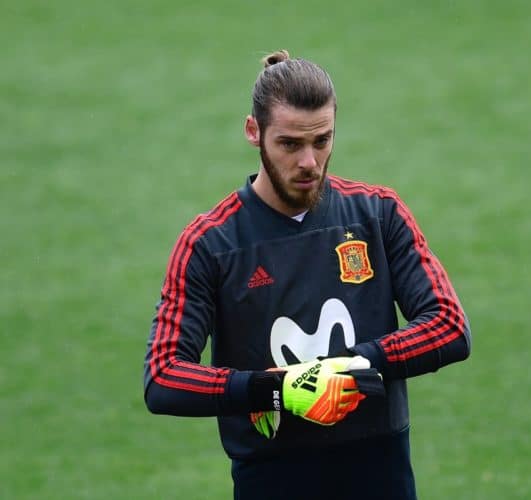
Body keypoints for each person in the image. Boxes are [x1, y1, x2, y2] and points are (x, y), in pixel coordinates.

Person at [143, 49, 471, 500]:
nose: (309, 163)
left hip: (380, 472)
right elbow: (163, 378)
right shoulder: (210, 244)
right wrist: (276, 390)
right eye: (290, 144)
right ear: (253, 132)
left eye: (322, 141)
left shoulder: (377, 214)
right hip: (272, 480)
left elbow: (449, 327)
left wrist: (357, 364)